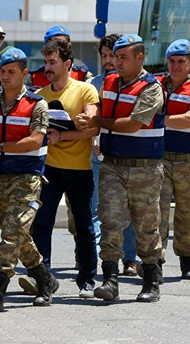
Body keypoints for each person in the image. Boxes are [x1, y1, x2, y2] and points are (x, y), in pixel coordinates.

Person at [77, 34, 165, 303]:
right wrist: (87, 121)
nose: (117, 62)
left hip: (145, 169)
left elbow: (132, 124)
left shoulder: (151, 87)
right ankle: (109, 280)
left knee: (146, 226)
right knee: (110, 220)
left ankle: (151, 280)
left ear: (140, 58)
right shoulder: (110, 82)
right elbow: (98, 113)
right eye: (115, 56)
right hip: (113, 164)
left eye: (123, 57)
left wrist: (98, 120)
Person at [0, 48, 59, 312]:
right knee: (19, 236)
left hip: (27, 178)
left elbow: (36, 139)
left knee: (11, 233)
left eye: (12, 71)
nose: (6, 76)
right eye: (2, 71)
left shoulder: (37, 104)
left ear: (24, 73)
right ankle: (46, 280)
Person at [28, 39, 99, 298]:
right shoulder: (40, 97)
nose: (47, 67)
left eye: (52, 62)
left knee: (84, 226)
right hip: (49, 170)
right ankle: (43, 280)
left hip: (80, 170)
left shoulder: (84, 90)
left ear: (67, 64)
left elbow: (93, 126)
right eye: (45, 62)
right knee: (42, 224)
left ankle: (87, 281)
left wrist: (65, 135)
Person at [88, 34, 140, 277]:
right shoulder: (93, 84)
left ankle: (130, 259)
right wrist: (93, 140)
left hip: (125, 156)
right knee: (99, 209)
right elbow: (88, 119)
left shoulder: (137, 85)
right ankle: (103, 260)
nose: (110, 61)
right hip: (96, 157)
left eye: (115, 56)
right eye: (105, 56)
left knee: (127, 212)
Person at [155, 39, 190, 279]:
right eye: (172, 61)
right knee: (156, 212)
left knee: (186, 214)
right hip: (160, 158)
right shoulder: (156, 84)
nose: (175, 66)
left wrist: (158, 118)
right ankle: (154, 261)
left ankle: (186, 260)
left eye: (181, 61)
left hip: (187, 160)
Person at [27, 25, 92, 90]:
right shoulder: (34, 77)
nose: (54, 47)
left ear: (69, 46)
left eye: (59, 43)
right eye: (50, 44)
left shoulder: (82, 75)